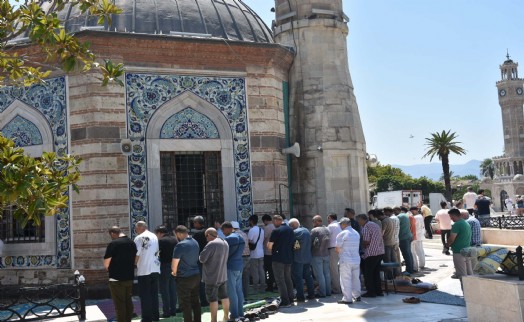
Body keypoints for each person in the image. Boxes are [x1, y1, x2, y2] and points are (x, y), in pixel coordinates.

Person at [103, 226, 137, 322]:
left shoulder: (113, 244)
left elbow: (106, 262)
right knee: (128, 301)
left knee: (120, 304)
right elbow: (136, 259)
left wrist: (108, 269)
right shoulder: (132, 242)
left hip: (116, 279)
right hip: (129, 277)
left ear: (113, 233)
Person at [199, 228, 230, 322]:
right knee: (224, 296)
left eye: (206, 236)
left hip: (212, 277)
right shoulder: (224, 242)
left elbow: (202, 259)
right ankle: (226, 317)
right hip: (223, 275)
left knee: (213, 299)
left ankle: (213, 320)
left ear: (208, 235)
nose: (206, 239)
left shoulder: (211, 244)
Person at [172, 225, 201, 322]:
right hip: (196, 275)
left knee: (185, 303)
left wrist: (174, 272)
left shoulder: (180, 245)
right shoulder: (195, 242)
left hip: (184, 277)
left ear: (179, 234)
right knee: (196, 301)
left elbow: (175, 263)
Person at [134, 221, 160, 322]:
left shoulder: (139, 238)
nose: (136, 230)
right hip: (155, 268)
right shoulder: (154, 236)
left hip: (144, 269)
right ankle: (155, 316)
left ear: (140, 227)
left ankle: (147, 318)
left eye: (136, 228)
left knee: (145, 294)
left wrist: (134, 264)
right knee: (154, 293)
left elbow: (137, 254)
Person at [267, 215, 295, 307]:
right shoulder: (290, 229)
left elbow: (270, 246)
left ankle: (285, 301)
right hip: (289, 257)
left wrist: (269, 246)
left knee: (280, 280)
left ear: (275, 221)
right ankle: (291, 299)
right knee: (288, 279)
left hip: (278, 258)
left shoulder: (276, 231)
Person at [357, 214, 384, 297]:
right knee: (376, 273)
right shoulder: (374, 225)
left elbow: (366, 241)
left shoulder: (365, 227)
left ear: (362, 220)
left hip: (370, 253)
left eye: (359, 221)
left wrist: (361, 245)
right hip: (379, 252)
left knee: (368, 274)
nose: (358, 223)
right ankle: (378, 291)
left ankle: (371, 292)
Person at [222, 221, 246, 320]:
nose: (223, 233)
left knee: (232, 292)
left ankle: (234, 315)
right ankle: (241, 313)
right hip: (239, 265)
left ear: (227, 228)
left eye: (223, 230)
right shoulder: (240, 237)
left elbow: (225, 254)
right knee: (239, 291)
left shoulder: (228, 239)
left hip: (230, 267)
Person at [289, 218, 315, 301]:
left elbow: (292, 245)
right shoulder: (307, 231)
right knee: (308, 276)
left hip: (298, 258)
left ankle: (300, 296)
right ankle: (311, 294)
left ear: (292, 225)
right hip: (307, 257)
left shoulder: (295, 232)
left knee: (298, 278)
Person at [336, 218, 361, 304]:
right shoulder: (356, 233)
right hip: (356, 259)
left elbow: (338, 248)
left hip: (346, 260)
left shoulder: (342, 234)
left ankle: (347, 298)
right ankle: (357, 295)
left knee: (345, 279)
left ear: (343, 224)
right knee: (356, 279)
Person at [155, 225, 178, 318]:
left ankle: (166, 312)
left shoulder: (161, 241)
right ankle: (173, 310)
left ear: (160, 233)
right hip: (174, 266)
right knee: (172, 288)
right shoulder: (174, 239)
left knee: (165, 290)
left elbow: (156, 254)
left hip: (164, 266)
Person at [446, 209, 472, 290]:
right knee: (469, 273)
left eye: (451, 217)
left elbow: (452, 239)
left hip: (458, 252)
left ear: (454, 215)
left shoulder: (457, 224)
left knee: (461, 274)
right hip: (467, 249)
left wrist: (447, 245)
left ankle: (466, 293)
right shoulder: (466, 223)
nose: (451, 218)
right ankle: (472, 291)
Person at [310, 215, 332, 298]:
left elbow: (310, 242)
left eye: (313, 221)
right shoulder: (327, 229)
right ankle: (328, 291)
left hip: (316, 254)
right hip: (326, 253)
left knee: (320, 274)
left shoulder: (314, 230)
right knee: (327, 273)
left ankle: (322, 293)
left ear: (316, 222)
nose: (313, 223)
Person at [191, 216, 209, 307]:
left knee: (201, 281)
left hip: (200, 260)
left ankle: (203, 300)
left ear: (198, 223)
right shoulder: (209, 232)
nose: (194, 225)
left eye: (195, 223)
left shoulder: (197, 234)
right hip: (210, 259)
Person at [375, 210, 397, 278]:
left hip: (386, 243)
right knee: (393, 260)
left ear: (379, 216)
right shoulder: (391, 219)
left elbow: (382, 233)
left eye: (378, 217)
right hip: (392, 242)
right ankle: (396, 275)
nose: (378, 219)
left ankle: (390, 277)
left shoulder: (384, 221)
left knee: (387, 261)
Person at [232, 221, 250, 297]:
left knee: (238, 277)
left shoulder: (235, 235)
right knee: (246, 277)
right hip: (247, 256)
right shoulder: (244, 234)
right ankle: (246, 293)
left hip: (240, 257)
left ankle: (240, 294)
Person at [247, 215, 265, 294]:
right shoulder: (261, 230)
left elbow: (249, 240)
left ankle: (255, 289)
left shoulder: (251, 230)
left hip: (254, 253)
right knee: (261, 270)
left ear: (251, 221)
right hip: (261, 253)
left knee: (255, 272)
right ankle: (263, 288)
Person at [327, 213, 342, 294]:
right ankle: (342, 287)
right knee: (341, 269)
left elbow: (326, 237)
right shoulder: (340, 225)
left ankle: (336, 288)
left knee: (334, 270)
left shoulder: (331, 226)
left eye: (328, 218)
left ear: (330, 218)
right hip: (341, 249)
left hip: (333, 249)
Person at [397, 207, 414, 274]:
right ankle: (411, 269)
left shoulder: (399, 217)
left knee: (406, 254)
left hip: (403, 237)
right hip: (408, 236)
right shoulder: (405, 215)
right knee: (409, 253)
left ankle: (409, 270)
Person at [262, 214, 276, 292]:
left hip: (267, 252)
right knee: (274, 270)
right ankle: (275, 284)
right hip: (275, 252)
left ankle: (269, 285)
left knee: (268, 270)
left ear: (265, 221)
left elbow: (263, 239)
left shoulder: (267, 228)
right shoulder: (275, 226)